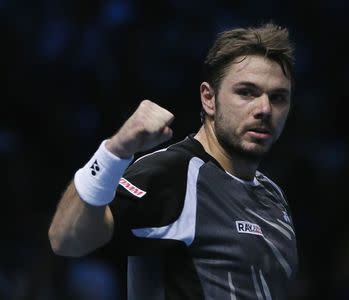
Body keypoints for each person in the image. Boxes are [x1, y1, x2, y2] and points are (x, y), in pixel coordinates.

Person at [48, 22, 299, 299]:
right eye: (246, 92)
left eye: (277, 98)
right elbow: (65, 239)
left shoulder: (272, 194)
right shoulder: (172, 173)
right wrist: (114, 151)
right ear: (209, 99)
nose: (264, 109)